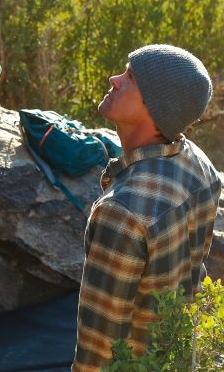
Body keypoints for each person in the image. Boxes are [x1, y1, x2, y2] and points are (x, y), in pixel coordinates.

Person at [73, 45, 221, 371]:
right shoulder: (200, 164)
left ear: (156, 107)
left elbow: (98, 346)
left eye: (130, 77)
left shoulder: (121, 212)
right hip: (178, 352)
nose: (114, 79)